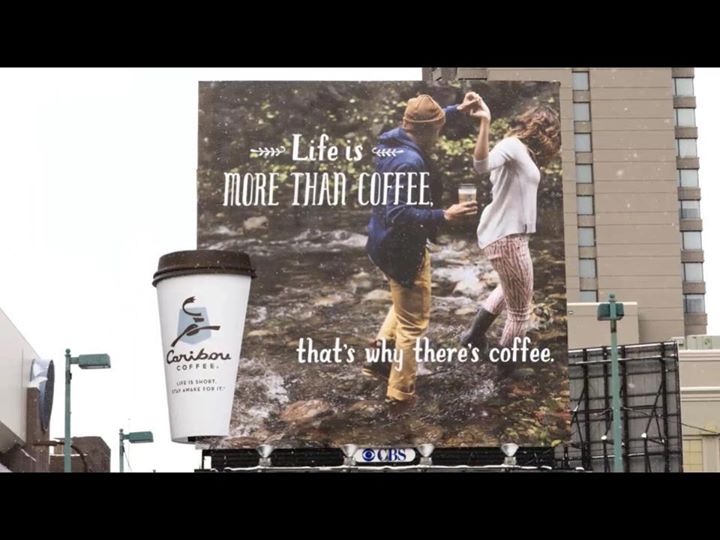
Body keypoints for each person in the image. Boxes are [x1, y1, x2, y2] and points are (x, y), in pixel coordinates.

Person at [365, 92, 480, 406]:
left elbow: (429, 119)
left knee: (403, 301)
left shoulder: (391, 139)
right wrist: (444, 215)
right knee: (413, 323)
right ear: (429, 130)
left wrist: (457, 109)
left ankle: (379, 359)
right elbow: (398, 213)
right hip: (401, 248)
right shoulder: (410, 162)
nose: (440, 134)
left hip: (381, 242)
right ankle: (400, 394)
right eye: (438, 128)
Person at [460, 99, 561, 357]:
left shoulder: (524, 153)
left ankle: (473, 336)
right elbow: (480, 165)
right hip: (507, 237)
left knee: (510, 288)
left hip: (511, 236)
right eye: (554, 132)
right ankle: (505, 372)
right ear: (542, 128)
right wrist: (485, 121)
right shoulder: (512, 146)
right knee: (520, 312)